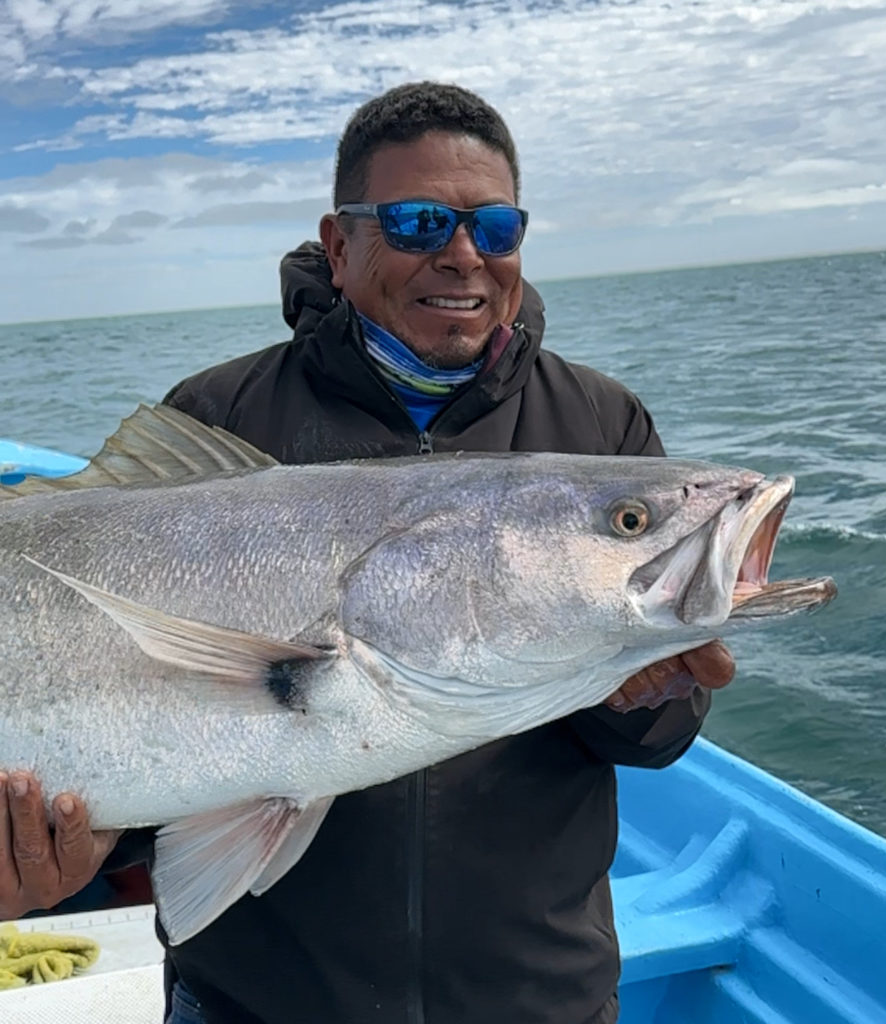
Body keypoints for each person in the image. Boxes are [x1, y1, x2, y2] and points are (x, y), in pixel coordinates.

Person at [0, 82, 735, 1023]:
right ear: (339, 246)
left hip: (537, 996)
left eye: (496, 226)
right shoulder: (220, 418)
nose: (463, 255)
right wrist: (69, 868)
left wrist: (650, 693)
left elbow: (659, 738)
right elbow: (159, 755)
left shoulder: (599, 425)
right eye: (420, 222)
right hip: (258, 1004)